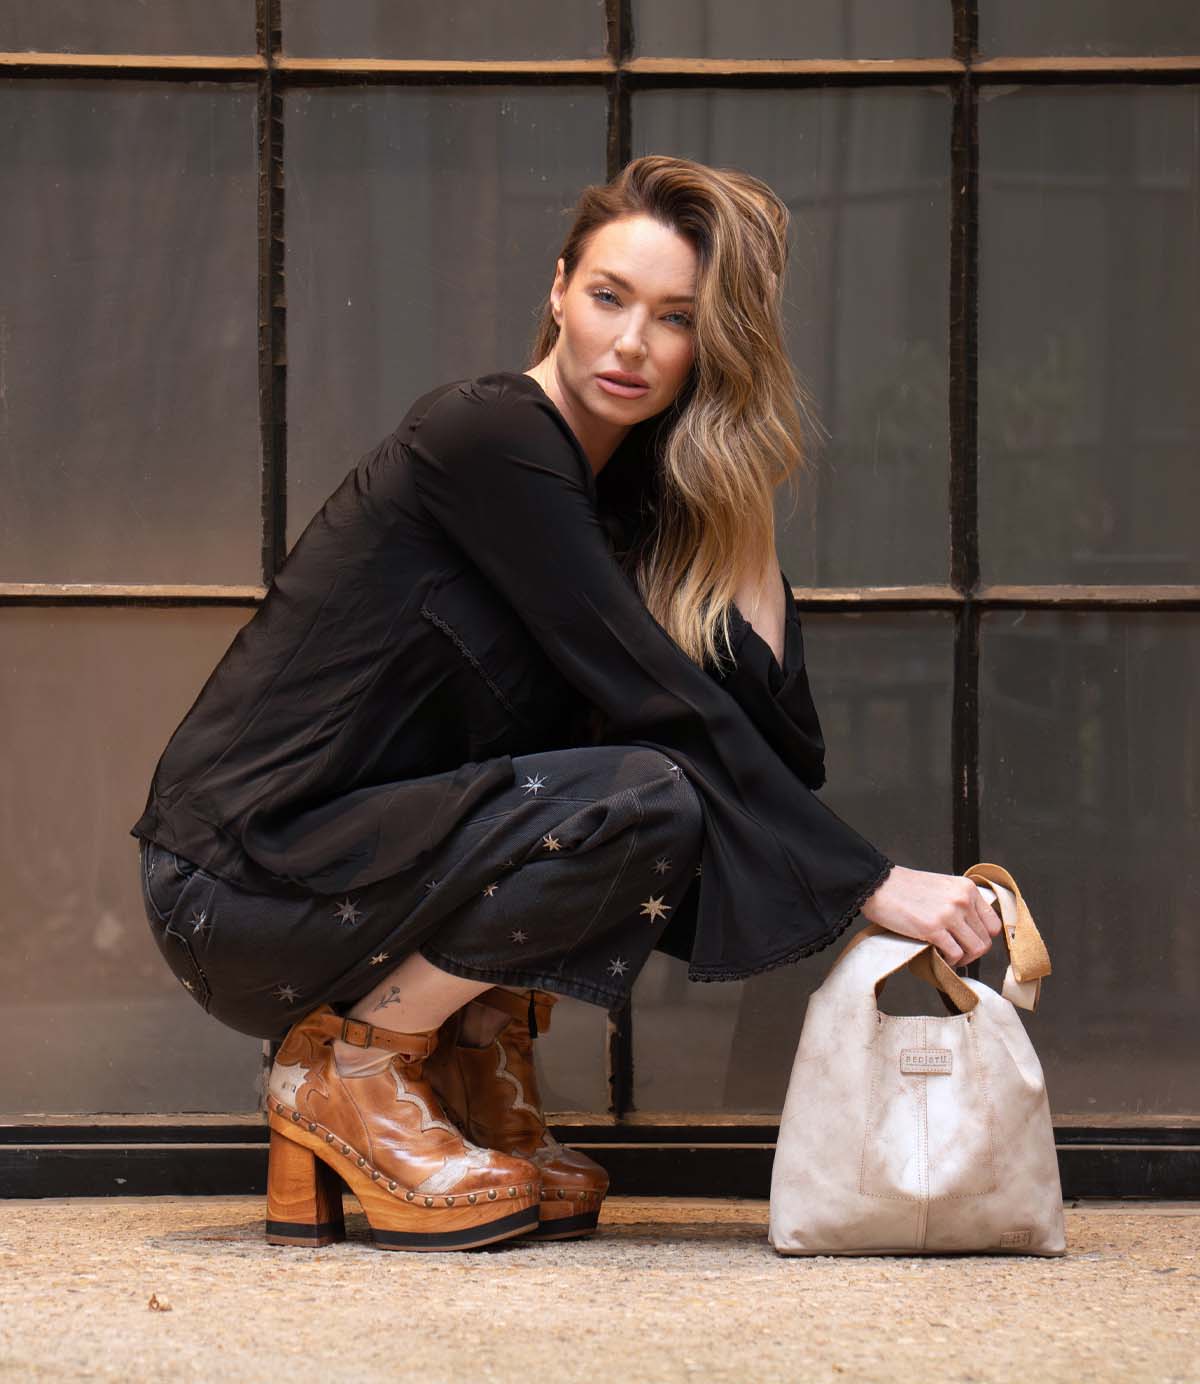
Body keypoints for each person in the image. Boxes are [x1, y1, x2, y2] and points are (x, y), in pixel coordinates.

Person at [131, 154, 1000, 1255]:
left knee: (654, 782)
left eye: (677, 319)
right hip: (234, 887)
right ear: (556, 291)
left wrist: (738, 487)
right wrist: (879, 883)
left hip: (357, 873)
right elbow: (667, 711)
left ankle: (462, 1052)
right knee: (647, 791)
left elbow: (778, 748)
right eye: (608, 297)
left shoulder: (626, 502)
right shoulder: (487, 436)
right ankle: (354, 1071)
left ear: (709, 349)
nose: (633, 342)